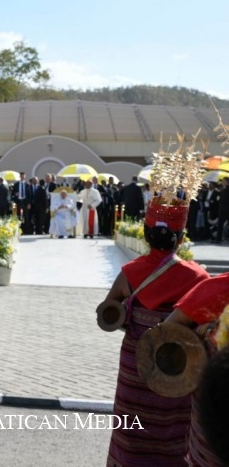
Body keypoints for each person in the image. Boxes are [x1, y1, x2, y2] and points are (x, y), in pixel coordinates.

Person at [99, 179, 209, 465]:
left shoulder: (129, 273)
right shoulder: (198, 278)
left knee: (131, 424)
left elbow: (108, 313)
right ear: (181, 237)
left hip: (137, 361)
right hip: (178, 364)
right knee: (175, 424)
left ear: (147, 235)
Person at [164, 272, 229, 466]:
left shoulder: (215, 288)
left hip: (215, 425)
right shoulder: (197, 274)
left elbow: (167, 330)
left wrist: (206, 331)